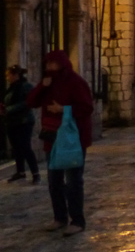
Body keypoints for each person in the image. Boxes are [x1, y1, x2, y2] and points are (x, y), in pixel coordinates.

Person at [27, 50, 93, 236]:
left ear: (61, 64)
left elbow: (86, 107)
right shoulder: (48, 82)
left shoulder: (76, 82)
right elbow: (31, 101)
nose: (49, 67)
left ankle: (77, 220)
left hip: (72, 139)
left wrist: (64, 109)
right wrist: (42, 86)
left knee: (73, 181)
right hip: (52, 137)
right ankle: (60, 217)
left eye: (53, 63)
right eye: (47, 63)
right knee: (54, 180)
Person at [2, 65, 40, 184]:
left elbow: (28, 102)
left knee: (25, 147)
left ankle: (35, 173)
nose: (7, 78)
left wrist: (9, 109)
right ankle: (20, 172)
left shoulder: (25, 86)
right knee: (16, 147)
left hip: (24, 121)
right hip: (12, 121)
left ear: (16, 75)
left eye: (9, 75)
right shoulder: (11, 88)